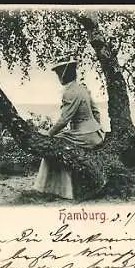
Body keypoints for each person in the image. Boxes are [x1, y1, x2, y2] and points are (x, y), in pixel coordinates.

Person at [33, 56, 105, 199]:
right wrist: (94, 128)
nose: (58, 77)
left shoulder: (70, 92)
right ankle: (59, 189)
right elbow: (96, 112)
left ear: (64, 74)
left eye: (59, 73)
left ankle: (56, 190)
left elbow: (65, 119)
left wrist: (48, 134)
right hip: (96, 134)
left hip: (84, 135)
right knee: (60, 141)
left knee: (53, 144)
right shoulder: (82, 88)